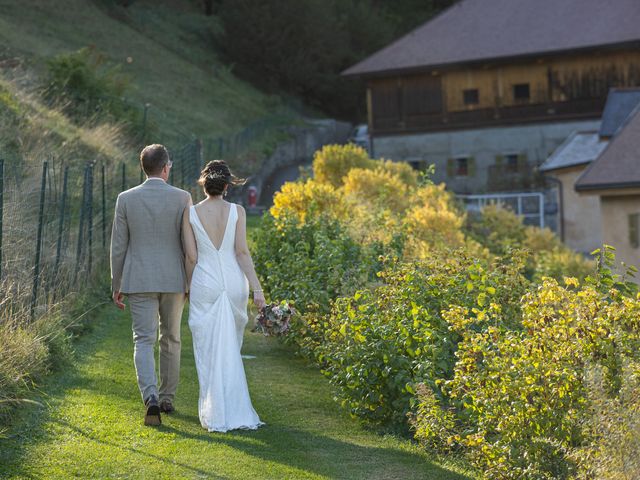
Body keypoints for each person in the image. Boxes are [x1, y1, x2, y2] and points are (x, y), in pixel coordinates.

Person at [110, 144, 191, 426]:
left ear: (143, 167)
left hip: (139, 278)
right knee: (172, 338)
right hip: (174, 279)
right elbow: (188, 244)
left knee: (143, 339)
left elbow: (118, 245)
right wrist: (190, 280)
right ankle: (168, 398)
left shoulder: (126, 199)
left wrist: (116, 282)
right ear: (166, 167)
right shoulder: (183, 198)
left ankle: (151, 397)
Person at [182, 160, 266, 432]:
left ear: (203, 184)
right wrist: (257, 288)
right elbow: (241, 253)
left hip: (205, 282)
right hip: (233, 283)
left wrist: (186, 286)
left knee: (207, 349)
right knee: (230, 346)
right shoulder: (238, 211)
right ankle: (229, 407)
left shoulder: (191, 213)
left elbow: (192, 256)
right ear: (227, 186)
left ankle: (213, 410)